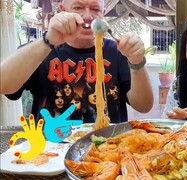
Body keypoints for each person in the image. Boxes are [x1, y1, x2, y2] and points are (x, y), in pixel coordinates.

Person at [0, 0, 153, 124]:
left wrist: (137, 61)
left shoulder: (118, 51)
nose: (87, 16)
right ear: (63, 10)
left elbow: (144, 106)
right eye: (78, 7)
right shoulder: (41, 49)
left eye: (95, 9)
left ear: (103, 14)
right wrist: (48, 41)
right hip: (49, 150)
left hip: (106, 151)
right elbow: (3, 85)